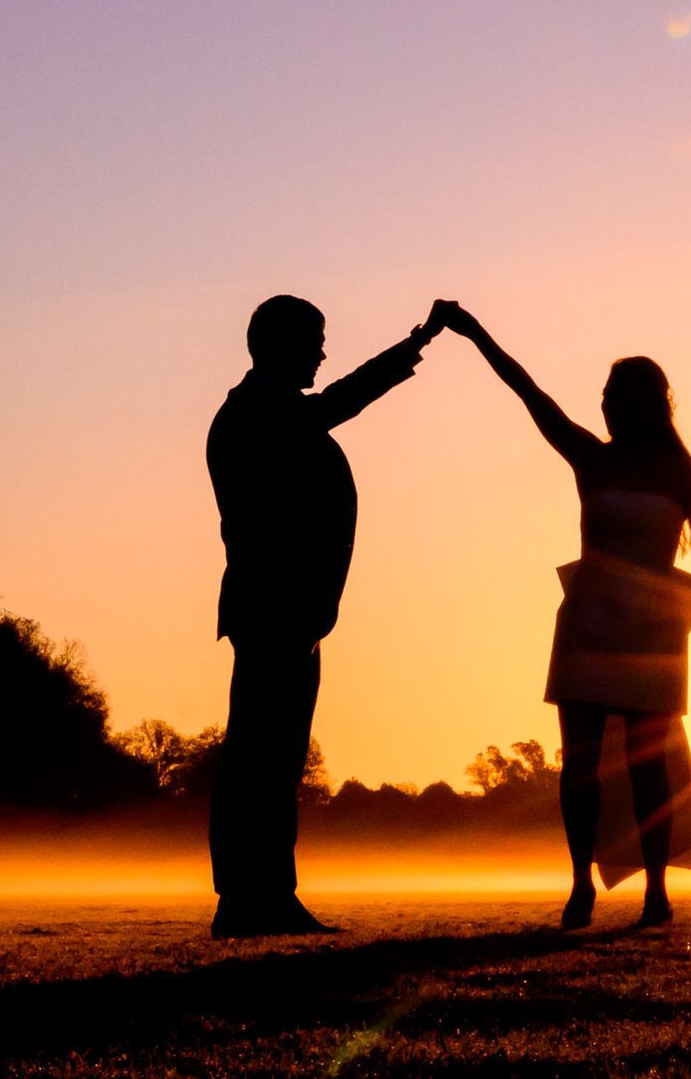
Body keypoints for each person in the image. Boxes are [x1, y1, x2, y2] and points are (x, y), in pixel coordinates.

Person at [434, 300, 691, 930]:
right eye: (602, 395)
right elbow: (528, 392)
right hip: (587, 625)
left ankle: (656, 891)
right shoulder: (592, 458)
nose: (602, 404)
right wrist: (474, 333)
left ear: (642, 402)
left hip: (654, 638)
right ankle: (581, 884)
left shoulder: (685, 475)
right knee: (580, 765)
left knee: (648, 767)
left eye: (612, 395)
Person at [205, 294, 435, 938]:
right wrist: (414, 345)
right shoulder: (258, 414)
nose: (324, 352)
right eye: (317, 339)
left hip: (290, 611)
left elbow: (332, 404)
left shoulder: (265, 410)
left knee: (273, 757)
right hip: (275, 608)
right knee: (262, 756)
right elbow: (339, 403)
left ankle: (263, 895)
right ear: (283, 345)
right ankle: (252, 898)